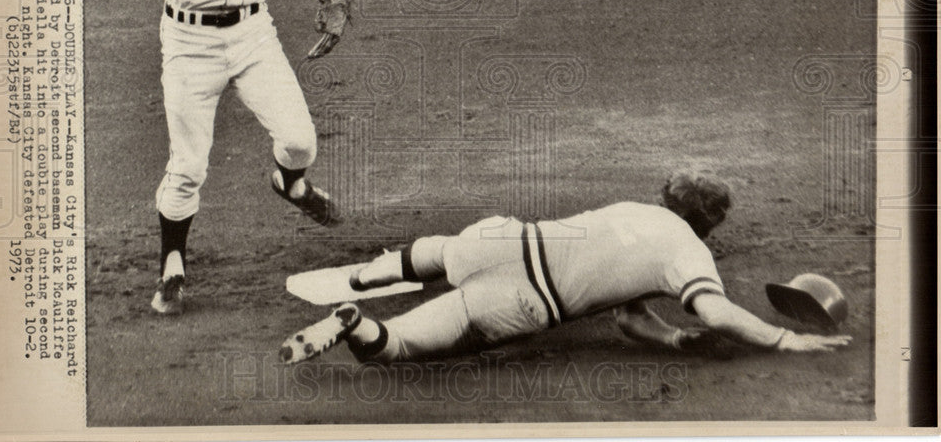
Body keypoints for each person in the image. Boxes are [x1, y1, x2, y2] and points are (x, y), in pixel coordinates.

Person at [109, 0, 346, 316]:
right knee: (188, 166)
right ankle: (172, 265)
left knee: (300, 141)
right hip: (189, 45)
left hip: (254, 36)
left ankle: (288, 182)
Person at [280, 172, 852, 363]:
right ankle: (357, 324)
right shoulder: (689, 256)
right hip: (525, 302)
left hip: (505, 239)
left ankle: (369, 276)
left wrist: (676, 338)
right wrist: (781, 339)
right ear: (711, 222)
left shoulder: (636, 209)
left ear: (671, 197)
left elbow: (630, 317)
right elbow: (716, 310)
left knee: (442, 249)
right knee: (402, 346)